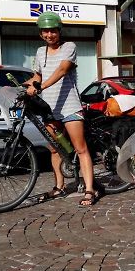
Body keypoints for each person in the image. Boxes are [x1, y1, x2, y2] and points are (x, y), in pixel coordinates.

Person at [25, 11, 102, 207]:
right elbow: (37, 77)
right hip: (49, 107)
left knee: (80, 148)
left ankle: (90, 190)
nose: (49, 35)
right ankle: (59, 187)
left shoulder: (69, 47)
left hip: (69, 105)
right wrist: (25, 86)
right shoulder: (40, 52)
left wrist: (41, 86)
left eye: (52, 31)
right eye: (45, 32)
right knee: (54, 149)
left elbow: (62, 69)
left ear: (59, 31)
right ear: (40, 34)